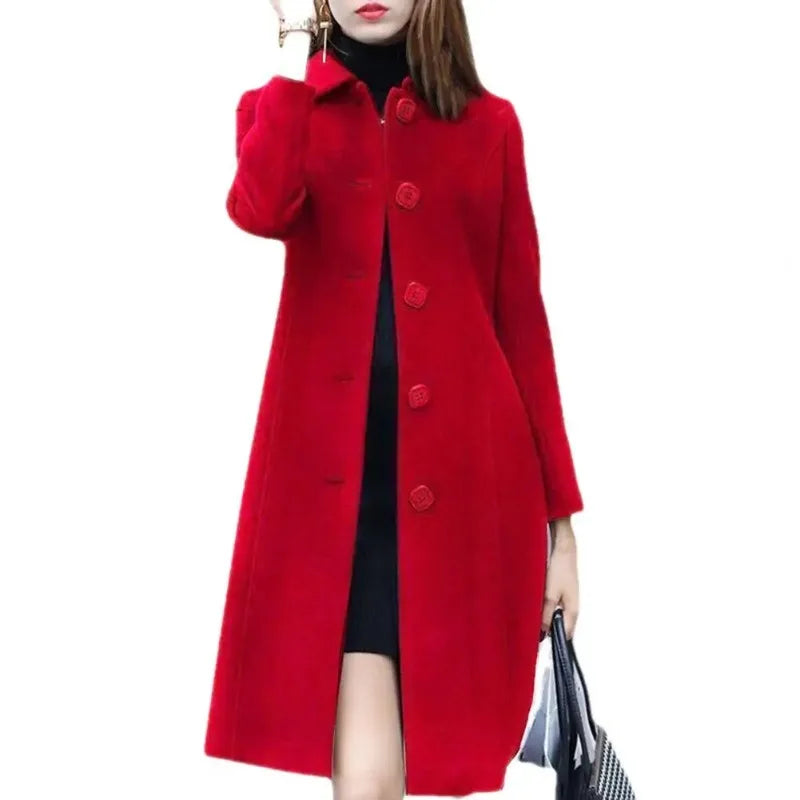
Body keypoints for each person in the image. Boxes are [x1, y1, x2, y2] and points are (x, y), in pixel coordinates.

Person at [205, 1, 584, 797]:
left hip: (471, 493)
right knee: (368, 782)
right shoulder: (284, 108)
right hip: (337, 504)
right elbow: (261, 207)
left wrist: (563, 530)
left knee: (433, 767)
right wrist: (296, 47)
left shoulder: (490, 126)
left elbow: (523, 327)